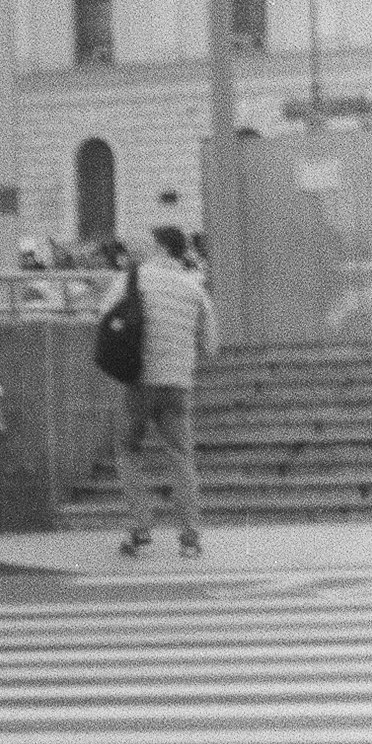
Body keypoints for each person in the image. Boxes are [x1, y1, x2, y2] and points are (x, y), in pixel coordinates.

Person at [117, 219, 218, 558]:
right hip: (177, 384)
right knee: (181, 457)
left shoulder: (132, 280)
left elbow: (106, 320)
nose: (142, 246)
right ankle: (190, 537)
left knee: (129, 451)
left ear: (160, 247)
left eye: (149, 241)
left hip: (140, 382)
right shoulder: (193, 286)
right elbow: (211, 344)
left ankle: (140, 529)